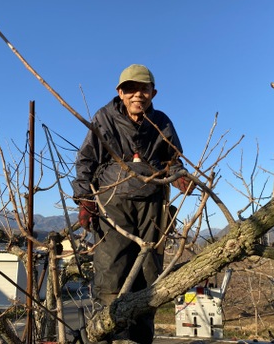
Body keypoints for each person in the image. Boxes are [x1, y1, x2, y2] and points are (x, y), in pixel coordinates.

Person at [72, 64, 193, 343]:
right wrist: (85, 200)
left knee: (148, 274)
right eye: (130, 89)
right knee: (111, 271)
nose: (137, 94)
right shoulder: (104, 118)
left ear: (153, 92)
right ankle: (109, 335)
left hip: (152, 203)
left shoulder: (161, 122)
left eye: (144, 89)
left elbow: (172, 161)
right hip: (112, 203)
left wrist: (178, 175)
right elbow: (86, 162)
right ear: (120, 92)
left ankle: (141, 337)